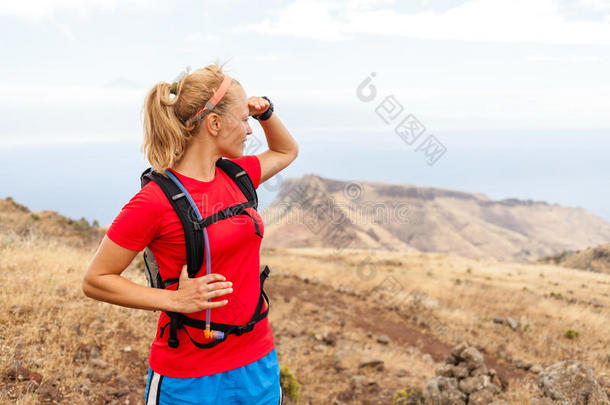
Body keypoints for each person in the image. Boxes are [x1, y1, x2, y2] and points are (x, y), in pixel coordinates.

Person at [82, 61, 298, 404]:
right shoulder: (153, 201)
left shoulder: (237, 176)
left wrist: (265, 112)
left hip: (257, 361)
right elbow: (96, 279)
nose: (249, 130)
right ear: (213, 123)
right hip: (190, 374)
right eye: (243, 120)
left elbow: (287, 150)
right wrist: (173, 300)